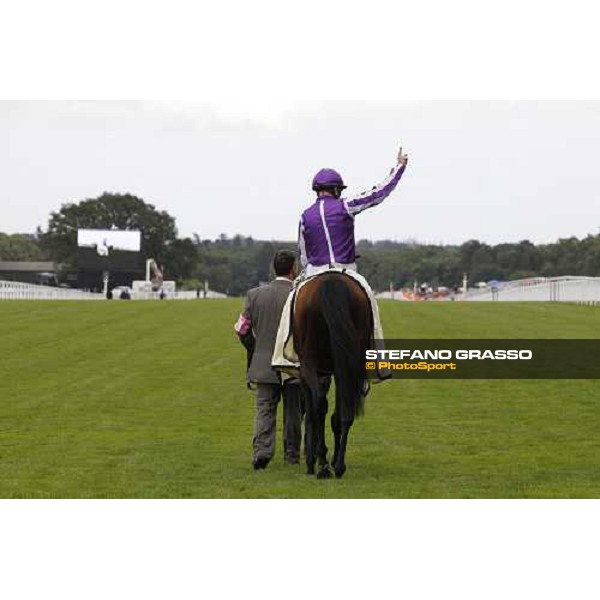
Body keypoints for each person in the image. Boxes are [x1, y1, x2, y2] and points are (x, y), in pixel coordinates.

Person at [234, 249, 304, 469]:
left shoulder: (255, 295)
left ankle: (262, 452)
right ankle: (291, 455)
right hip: (292, 364)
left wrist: (255, 349)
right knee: (293, 412)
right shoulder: (301, 294)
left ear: (274, 268)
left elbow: (241, 329)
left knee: (265, 409)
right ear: (293, 268)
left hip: (263, 362)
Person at [298, 145, 408, 275]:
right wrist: (399, 168)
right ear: (336, 189)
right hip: (346, 270)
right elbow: (378, 194)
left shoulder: (304, 217)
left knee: (293, 294)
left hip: (314, 272)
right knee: (368, 296)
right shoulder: (346, 205)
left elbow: (304, 255)